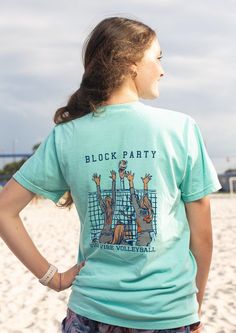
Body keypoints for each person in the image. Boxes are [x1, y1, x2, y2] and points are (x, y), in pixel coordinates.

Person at [0, 16, 222, 333]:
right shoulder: (180, 129)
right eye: (157, 58)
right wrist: (192, 308)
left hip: (90, 313)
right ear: (131, 62)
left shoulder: (66, 135)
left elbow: (4, 209)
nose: (162, 70)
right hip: (165, 314)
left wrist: (54, 277)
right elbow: (203, 237)